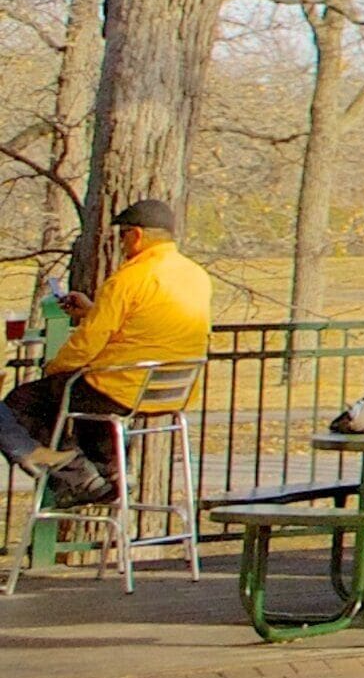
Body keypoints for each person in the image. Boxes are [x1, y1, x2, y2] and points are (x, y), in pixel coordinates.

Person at [0, 199, 210, 508]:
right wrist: (92, 310)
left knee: (23, 402)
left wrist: (55, 366)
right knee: (84, 396)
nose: (122, 244)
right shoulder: (196, 276)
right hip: (172, 391)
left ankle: (80, 477)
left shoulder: (129, 278)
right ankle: (110, 474)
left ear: (136, 235)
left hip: (121, 387)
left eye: (123, 235)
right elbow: (146, 321)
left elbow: (88, 343)